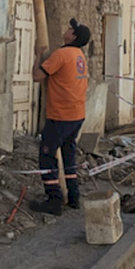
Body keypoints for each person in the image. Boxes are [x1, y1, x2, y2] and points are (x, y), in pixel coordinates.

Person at [29, 18, 91, 215]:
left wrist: (38, 55)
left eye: (70, 28)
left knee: (46, 156)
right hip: (77, 114)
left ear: (73, 36)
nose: (67, 29)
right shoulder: (79, 55)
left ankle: (54, 199)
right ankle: (73, 196)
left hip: (61, 116)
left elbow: (37, 76)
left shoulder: (62, 54)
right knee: (68, 155)